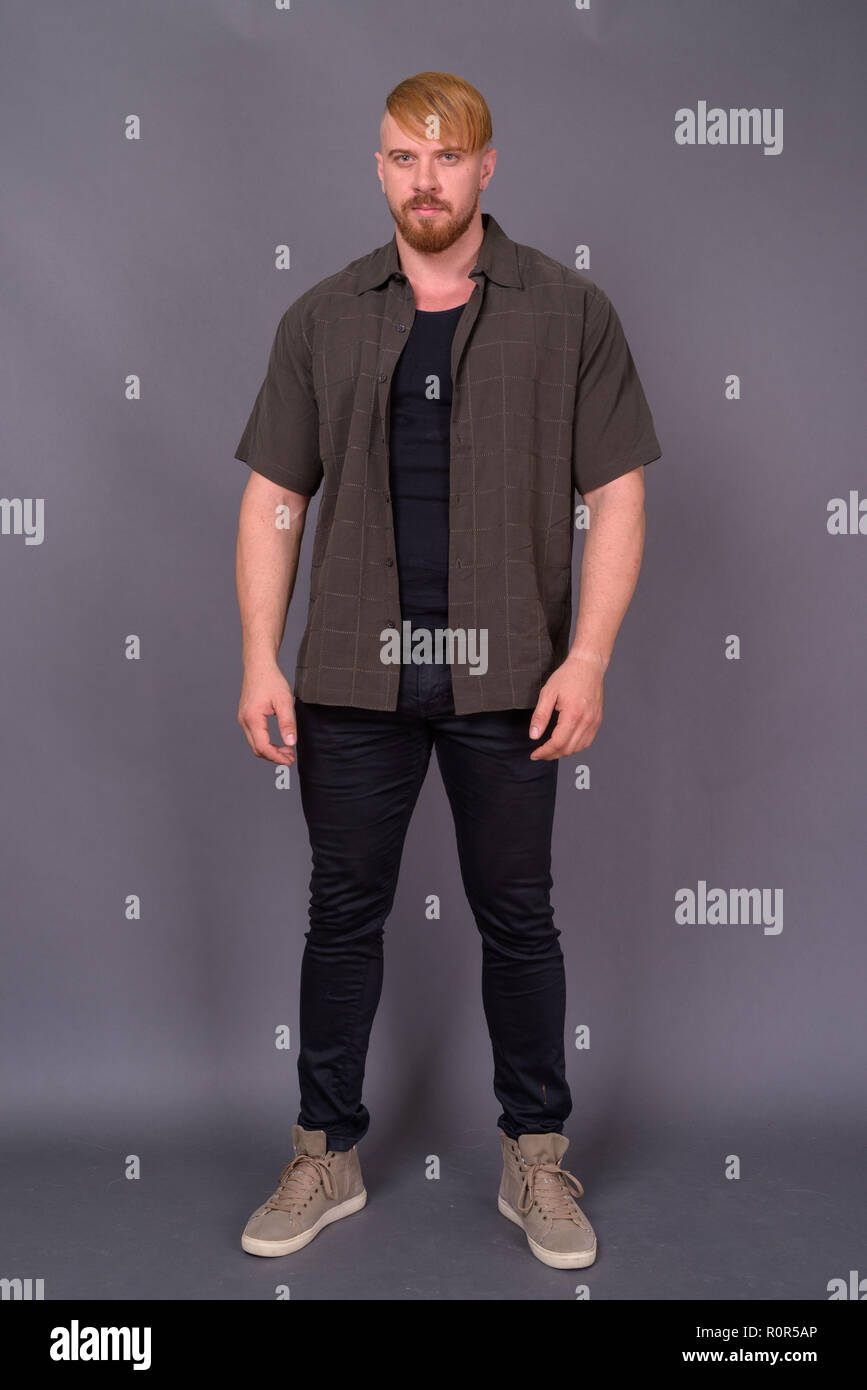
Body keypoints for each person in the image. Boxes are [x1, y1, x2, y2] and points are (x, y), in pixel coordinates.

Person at [232, 71, 661, 1270]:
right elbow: (274, 497)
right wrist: (260, 655)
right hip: (351, 678)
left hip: (511, 675)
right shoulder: (322, 318)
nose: (427, 180)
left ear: (487, 167)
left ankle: (537, 1157)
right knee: (341, 913)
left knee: (518, 917)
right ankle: (327, 1150)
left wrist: (587, 656)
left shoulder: (570, 312)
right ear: (379, 171)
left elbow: (618, 493)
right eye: (403, 159)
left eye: (448, 157)